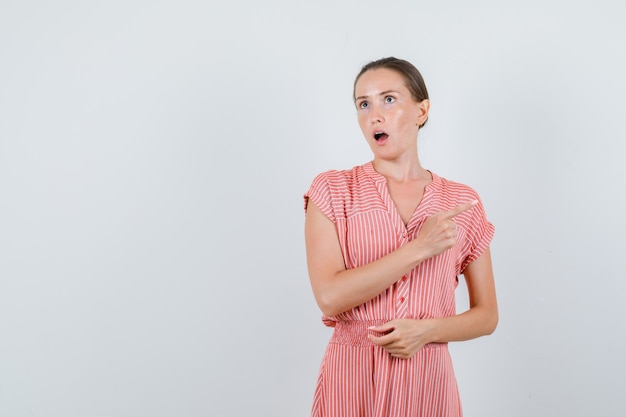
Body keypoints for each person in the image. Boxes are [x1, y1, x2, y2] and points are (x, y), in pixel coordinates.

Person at [303, 57, 498, 417]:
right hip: (352, 380)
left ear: (421, 110)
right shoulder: (333, 190)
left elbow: (487, 315)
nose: (374, 114)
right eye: (364, 104)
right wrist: (420, 248)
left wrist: (427, 331)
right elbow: (329, 297)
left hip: (429, 383)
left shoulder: (461, 201)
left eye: (388, 99)